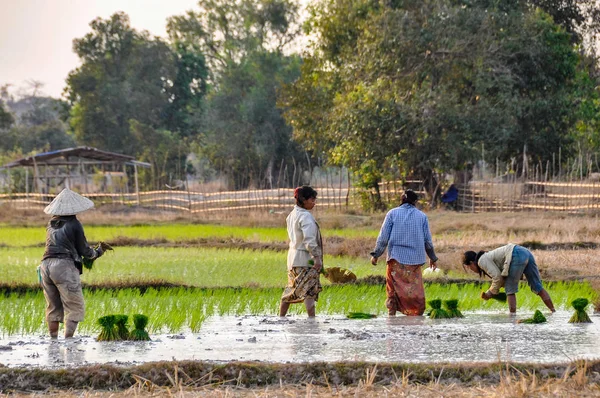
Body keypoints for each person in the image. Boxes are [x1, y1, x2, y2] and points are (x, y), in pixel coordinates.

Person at [39, 188, 105, 338]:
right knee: (75, 306)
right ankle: (69, 341)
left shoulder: (51, 223)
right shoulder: (74, 223)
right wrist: (97, 252)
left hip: (45, 266)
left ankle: (53, 342)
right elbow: (85, 251)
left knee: (53, 307)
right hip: (64, 266)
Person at [370, 189, 438, 316]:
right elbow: (428, 241)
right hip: (415, 261)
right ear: (415, 202)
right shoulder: (422, 216)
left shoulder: (392, 214)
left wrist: (376, 254)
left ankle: (392, 314)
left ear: (401, 200)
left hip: (396, 259)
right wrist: (432, 258)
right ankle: (417, 316)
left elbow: (383, 237)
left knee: (393, 290)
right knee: (415, 290)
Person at [462, 244, 555, 314]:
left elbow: (497, 277)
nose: (472, 270)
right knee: (537, 287)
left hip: (515, 254)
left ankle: (512, 318)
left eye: (470, 268)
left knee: (510, 289)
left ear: (471, 263)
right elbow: (500, 278)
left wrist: (490, 293)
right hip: (525, 252)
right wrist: (493, 292)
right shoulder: (486, 256)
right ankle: (553, 311)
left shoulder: (481, 260)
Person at [280, 185, 323, 317]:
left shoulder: (292, 215)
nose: (314, 202)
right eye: (312, 199)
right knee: (304, 292)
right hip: (305, 260)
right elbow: (309, 239)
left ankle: (282, 318)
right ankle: (311, 321)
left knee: (296, 290)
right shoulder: (306, 217)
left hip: (293, 260)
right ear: (303, 200)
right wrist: (316, 257)